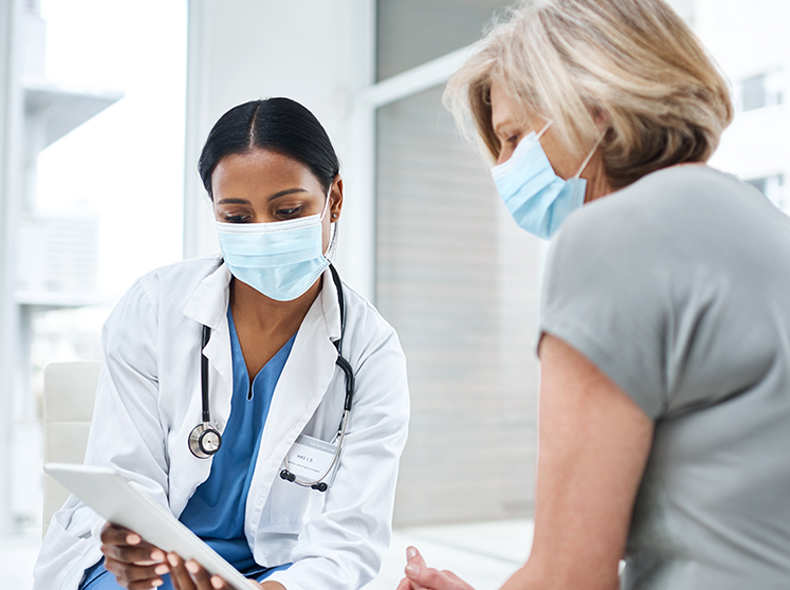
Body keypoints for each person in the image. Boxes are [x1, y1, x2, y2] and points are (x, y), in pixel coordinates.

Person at [398, 0, 790, 589]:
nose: (502, 167)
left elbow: (571, 581)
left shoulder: (610, 238)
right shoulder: (762, 223)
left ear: (597, 108)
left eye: (512, 137)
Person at [34, 97, 410, 590]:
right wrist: (131, 547)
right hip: (156, 572)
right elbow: (128, 482)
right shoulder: (154, 308)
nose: (264, 233)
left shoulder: (370, 354)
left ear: (334, 199)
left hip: (283, 576)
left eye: (288, 210)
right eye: (236, 218)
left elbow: (349, 539)